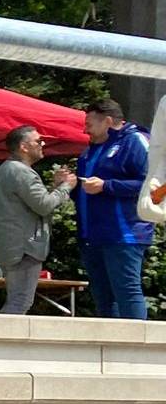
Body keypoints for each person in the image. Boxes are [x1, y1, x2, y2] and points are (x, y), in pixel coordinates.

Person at [71, 99, 155, 319]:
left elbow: (153, 184)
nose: (85, 129)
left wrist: (106, 186)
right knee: (103, 297)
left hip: (124, 233)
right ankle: (109, 341)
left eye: (89, 124)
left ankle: (136, 340)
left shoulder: (135, 141)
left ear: (108, 121)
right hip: (92, 235)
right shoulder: (90, 151)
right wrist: (69, 186)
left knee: (127, 291)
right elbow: (86, 192)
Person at [0, 125, 76, 314]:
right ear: (24, 147)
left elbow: (34, 202)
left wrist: (56, 187)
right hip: (24, 248)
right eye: (38, 141)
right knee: (20, 301)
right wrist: (65, 187)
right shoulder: (21, 171)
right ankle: (2, 334)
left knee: (17, 299)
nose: (42, 144)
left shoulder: (8, 169)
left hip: (12, 246)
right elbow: (44, 205)